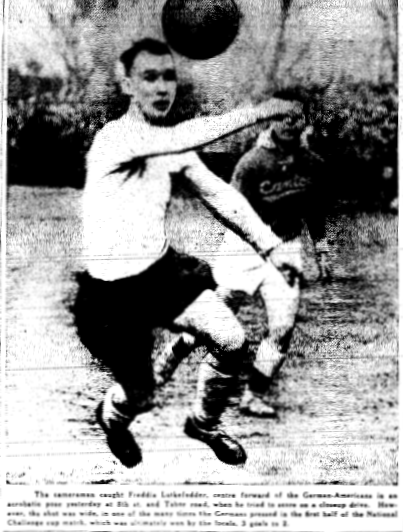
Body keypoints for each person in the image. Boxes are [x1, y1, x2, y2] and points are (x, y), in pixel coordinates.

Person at [73, 38, 295, 468]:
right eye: (149, 77)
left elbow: (220, 196)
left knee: (233, 342)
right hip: (112, 295)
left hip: (161, 274)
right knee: (139, 394)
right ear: (126, 85)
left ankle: (203, 423)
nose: (161, 87)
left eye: (168, 76)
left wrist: (270, 246)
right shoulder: (114, 139)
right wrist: (260, 111)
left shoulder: (173, 147)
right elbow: (189, 134)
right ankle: (113, 419)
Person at [155, 108, 332, 417]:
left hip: (286, 249)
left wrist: (322, 248)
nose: (289, 123)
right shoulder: (251, 163)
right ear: (272, 119)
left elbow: (314, 207)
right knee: (216, 318)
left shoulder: (313, 164)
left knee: (283, 329)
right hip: (244, 247)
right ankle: (171, 355)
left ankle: (253, 395)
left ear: (305, 121)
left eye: (297, 117)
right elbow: (232, 208)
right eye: (284, 116)